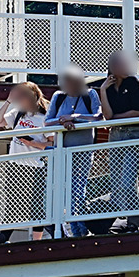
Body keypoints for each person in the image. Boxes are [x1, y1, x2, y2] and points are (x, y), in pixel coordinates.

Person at [0, 82, 52, 241]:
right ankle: (4, 236)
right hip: (15, 165)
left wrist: (32, 144)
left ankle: (36, 241)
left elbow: (53, 143)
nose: (20, 100)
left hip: (34, 166)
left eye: (22, 96)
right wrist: (8, 101)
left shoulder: (44, 118)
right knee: (13, 202)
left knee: (35, 205)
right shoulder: (18, 113)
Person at [46, 69, 102, 236]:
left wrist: (75, 118)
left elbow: (98, 117)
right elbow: (48, 122)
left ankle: (81, 229)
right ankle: (71, 229)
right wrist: (63, 121)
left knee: (78, 189)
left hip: (83, 150)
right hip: (61, 151)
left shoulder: (90, 94)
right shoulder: (58, 96)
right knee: (64, 190)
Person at [97, 54, 139, 230]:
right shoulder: (109, 87)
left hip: (133, 134)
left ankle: (136, 220)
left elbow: (138, 111)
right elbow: (107, 115)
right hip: (115, 135)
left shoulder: (132, 82)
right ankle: (127, 219)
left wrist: (115, 119)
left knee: (127, 181)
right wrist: (103, 90)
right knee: (116, 182)